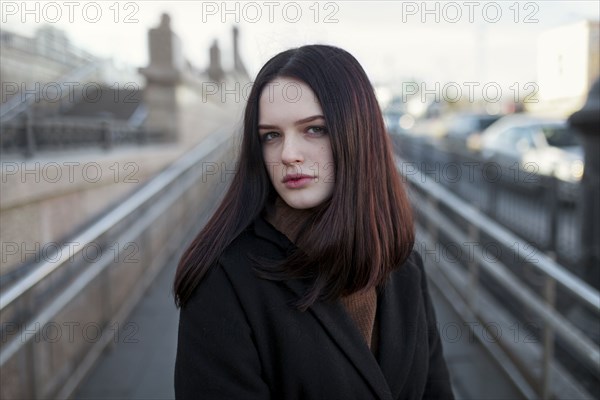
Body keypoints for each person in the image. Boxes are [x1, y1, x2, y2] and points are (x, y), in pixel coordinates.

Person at [173, 44, 454, 399]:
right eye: (271, 136)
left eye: (313, 129)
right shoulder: (223, 281)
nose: (288, 155)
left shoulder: (403, 263)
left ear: (358, 133)